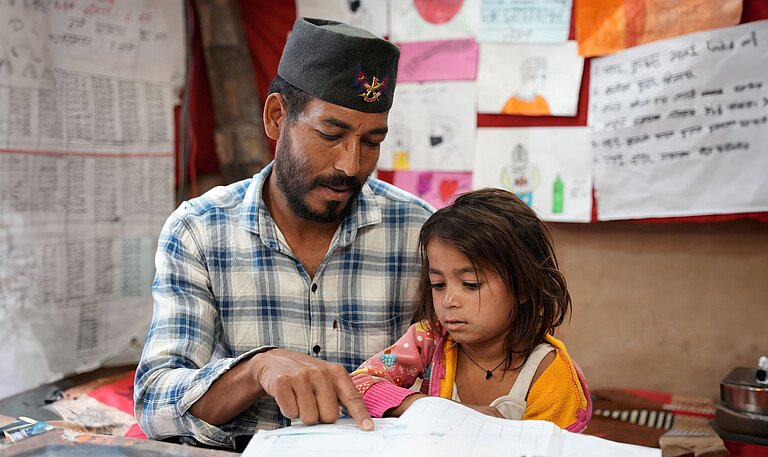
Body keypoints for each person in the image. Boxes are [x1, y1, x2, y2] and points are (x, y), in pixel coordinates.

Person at [134, 17, 434, 449]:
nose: (350, 165)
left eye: (371, 142)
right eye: (331, 134)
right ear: (277, 117)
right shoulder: (199, 231)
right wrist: (258, 370)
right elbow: (155, 402)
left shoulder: (418, 233)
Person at [351, 188, 591, 431]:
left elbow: (553, 447)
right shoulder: (428, 339)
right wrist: (428, 406)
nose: (449, 300)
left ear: (524, 288)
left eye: (471, 285)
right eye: (439, 285)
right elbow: (358, 384)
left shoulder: (551, 374)